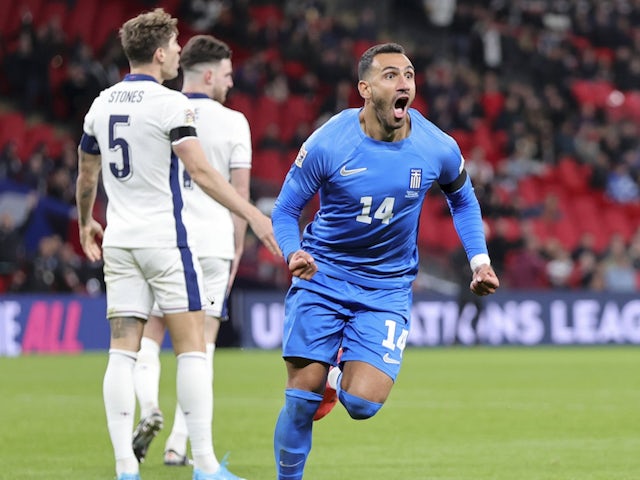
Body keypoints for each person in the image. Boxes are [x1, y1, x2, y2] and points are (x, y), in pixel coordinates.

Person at [270, 43, 499, 480]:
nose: (404, 83)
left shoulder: (436, 146)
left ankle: (333, 382)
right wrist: (292, 250)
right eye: (391, 75)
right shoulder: (329, 141)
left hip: (387, 288)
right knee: (300, 400)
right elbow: (285, 209)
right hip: (323, 276)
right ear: (365, 88)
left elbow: (464, 200)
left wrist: (479, 261)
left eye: (409, 75)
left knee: (363, 405)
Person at [75, 9, 279, 480]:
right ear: (161, 52)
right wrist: (251, 215)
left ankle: (126, 468)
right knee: (192, 349)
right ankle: (203, 464)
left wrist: (87, 224)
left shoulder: (101, 104)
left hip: (120, 243)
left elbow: (87, 175)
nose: (176, 53)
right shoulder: (172, 105)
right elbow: (203, 172)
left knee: (122, 352)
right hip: (167, 243)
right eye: (173, 44)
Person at [131, 34, 251, 475]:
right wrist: (238, 247)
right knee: (201, 348)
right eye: (226, 74)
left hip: (166, 238)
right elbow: (239, 193)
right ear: (207, 74)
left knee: (151, 334)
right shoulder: (235, 122)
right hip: (215, 243)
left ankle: (148, 406)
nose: (231, 81)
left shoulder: (159, 109)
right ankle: (180, 445)